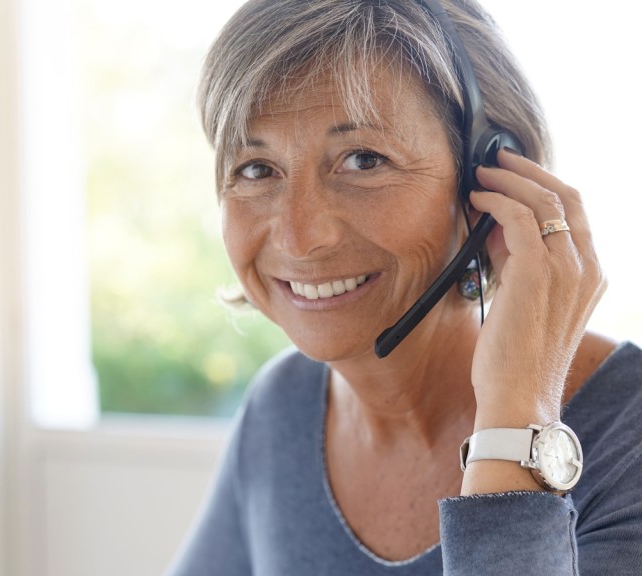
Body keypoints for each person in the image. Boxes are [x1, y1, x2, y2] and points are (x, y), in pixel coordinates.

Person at [166, 0, 642, 574]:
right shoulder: (284, 406)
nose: (297, 238)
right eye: (255, 169)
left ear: (496, 179)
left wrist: (517, 421)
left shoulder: (629, 440)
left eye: (363, 160)